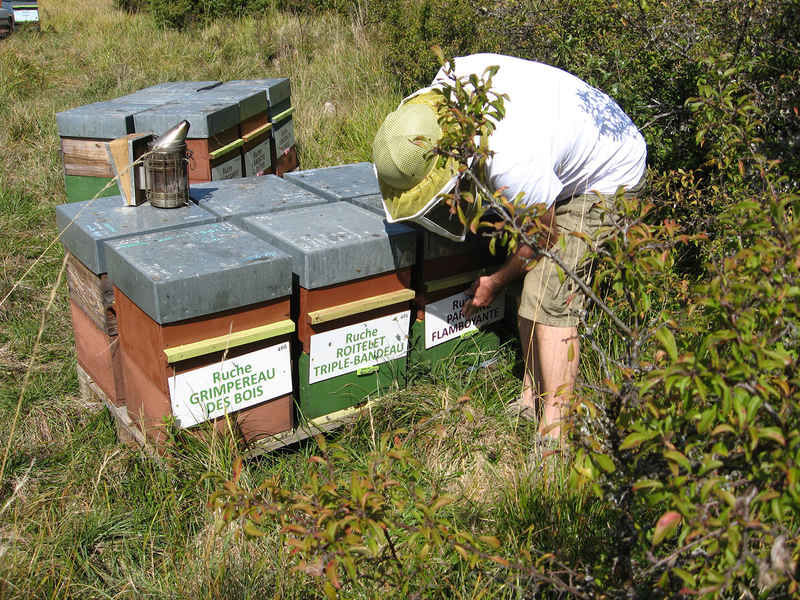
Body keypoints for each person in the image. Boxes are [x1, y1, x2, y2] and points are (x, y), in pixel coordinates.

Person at [372, 54, 646, 442]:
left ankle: (554, 436)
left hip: (607, 172)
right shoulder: (446, 87)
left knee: (550, 295)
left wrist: (496, 281)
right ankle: (530, 394)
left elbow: (544, 238)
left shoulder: (512, 160)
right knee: (528, 280)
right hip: (560, 142)